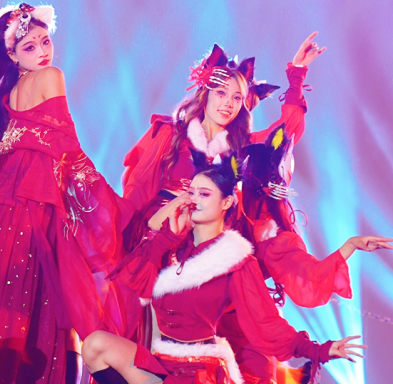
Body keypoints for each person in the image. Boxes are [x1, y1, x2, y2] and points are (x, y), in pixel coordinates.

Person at [84, 161, 362, 384]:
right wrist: (167, 235)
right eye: (191, 192)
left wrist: (320, 350)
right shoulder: (174, 247)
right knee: (94, 344)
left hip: (195, 378)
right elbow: (135, 279)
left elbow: (266, 322)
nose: (194, 199)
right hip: (163, 363)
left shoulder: (237, 261)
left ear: (227, 202)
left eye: (205, 194)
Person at [0, 3, 135, 384]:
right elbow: (68, 147)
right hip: (37, 206)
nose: (43, 51)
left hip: (6, 208)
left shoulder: (4, 98)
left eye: (45, 41)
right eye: (30, 46)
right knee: (52, 307)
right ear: (13, 55)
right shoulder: (51, 78)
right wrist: (112, 207)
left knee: (6, 304)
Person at [224, 124, 393, 384]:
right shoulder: (223, 213)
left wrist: (349, 247)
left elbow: (307, 275)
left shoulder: (271, 236)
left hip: (249, 328)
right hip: (206, 322)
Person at [120, 35, 325, 253]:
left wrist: (298, 72)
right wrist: (121, 234)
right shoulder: (171, 133)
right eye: (221, 93)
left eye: (237, 98)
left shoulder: (243, 147)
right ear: (206, 94)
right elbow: (138, 187)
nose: (228, 103)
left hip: (208, 246)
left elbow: (287, 132)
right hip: (160, 234)